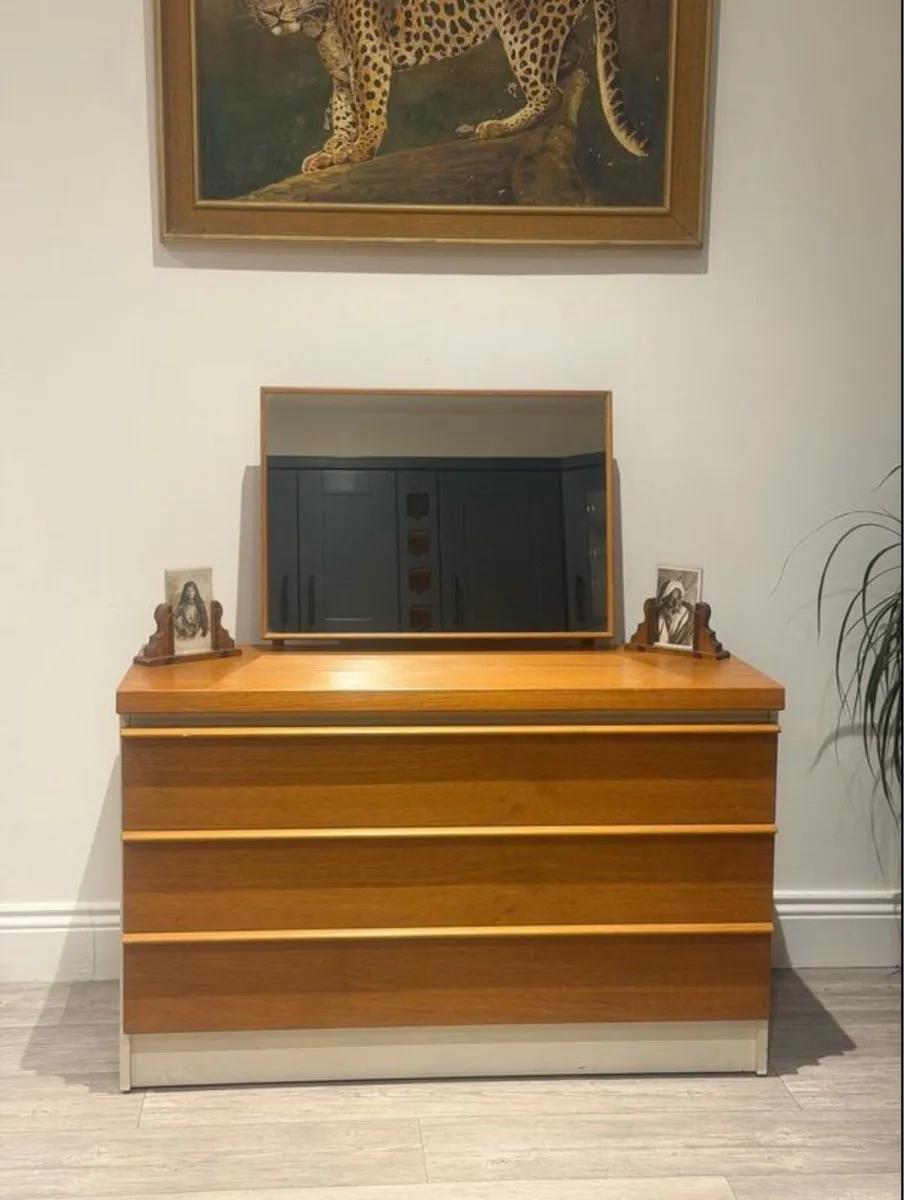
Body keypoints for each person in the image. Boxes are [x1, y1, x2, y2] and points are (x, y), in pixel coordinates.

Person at [657, 578, 694, 647]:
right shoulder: (661, 615)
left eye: (678, 599)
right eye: (671, 599)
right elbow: (662, 641)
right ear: (665, 599)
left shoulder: (689, 616)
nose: (675, 603)